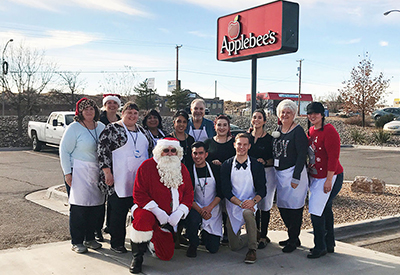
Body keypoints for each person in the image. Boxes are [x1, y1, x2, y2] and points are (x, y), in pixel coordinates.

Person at [129, 137, 194, 274]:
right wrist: (157, 211)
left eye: (173, 151)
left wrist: (180, 212)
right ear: (159, 151)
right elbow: (138, 193)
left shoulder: (182, 168)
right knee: (142, 219)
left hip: (170, 218)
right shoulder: (146, 166)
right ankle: (137, 257)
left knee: (166, 256)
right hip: (149, 211)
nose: (170, 153)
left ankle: (153, 238)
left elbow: (189, 193)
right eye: (166, 150)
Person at [97, 101, 153, 254]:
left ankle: (140, 243)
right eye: (129, 113)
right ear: (123, 113)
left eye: (135, 113)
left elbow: (150, 152)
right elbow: (102, 151)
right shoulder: (112, 129)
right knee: (118, 214)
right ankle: (117, 243)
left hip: (139, 182)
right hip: (118, 180)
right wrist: (107, 173)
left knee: (140, 214)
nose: (132, 116)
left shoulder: (143, 131)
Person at [59, 98, 105, 254]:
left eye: (92, 108)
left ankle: (90, 238)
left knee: (95, 206)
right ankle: (77, 240)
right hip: (77, 170)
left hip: (96, 171)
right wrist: (67, 173)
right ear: (80, 112)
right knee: (79, 208)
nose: (89, 111)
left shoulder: (102, 127)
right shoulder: (74, 128)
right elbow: (64, 151)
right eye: (85, 109)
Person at [220, 133, 266, 264]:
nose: (242, 147)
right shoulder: (226, 165)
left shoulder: (256, 165)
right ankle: (253, 234)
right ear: (234, 145)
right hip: (233, 203)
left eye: (245, 144)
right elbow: (226, 191)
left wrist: (253, 201)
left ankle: (252, 250)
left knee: (247, 213)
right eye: (239, 144)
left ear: (249, 146)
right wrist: (240, 203)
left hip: (251, 203)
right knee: (234, 247)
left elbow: (262, 190)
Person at [306, 102, 344, 259]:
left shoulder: (329, 131)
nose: (312, 116)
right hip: (316, 176)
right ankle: (329, 244)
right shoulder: (311, 131)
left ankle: (319, 246)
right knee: (325, 209)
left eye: (316, 113)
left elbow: (334, 157)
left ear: (322, 114)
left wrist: (329, 180)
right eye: (310, 113)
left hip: (330, 175)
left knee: (315, 210)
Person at [272, 99, 308, 253]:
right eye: (282, 112)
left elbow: (302, 155)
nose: (285, 115)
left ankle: (293, 240)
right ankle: (293, 235)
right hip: (280, 174)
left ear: (294, 114)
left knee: (294, 208)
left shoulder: (298, 131)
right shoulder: (278, 129)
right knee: (282, 206)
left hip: (294, 173)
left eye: (288, 112)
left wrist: (296, 176)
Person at [185, 141, 223, 258]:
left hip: (213, 208)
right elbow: (187, 195)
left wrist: (209, 208)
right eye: (195, 153)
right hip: (195, 206)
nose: (197, 156)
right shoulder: (188, 171)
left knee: (213, 248)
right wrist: (201, 210)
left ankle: (205, 234)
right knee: (192, 219)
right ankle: (193, 243)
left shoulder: (215, 168)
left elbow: (221, 192)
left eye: (200, 153)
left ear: (206, 154)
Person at [204, 114, 236, 243]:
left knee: (228, 208)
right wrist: (212, 161)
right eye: (219, 125)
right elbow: (203, 160)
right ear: (215, 126)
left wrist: (225, 164)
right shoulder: (208, 142)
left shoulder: (234, 143)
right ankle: (210, 231)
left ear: (228, 127)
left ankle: (229, 232)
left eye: (224, 125)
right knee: (215, 207)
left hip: (230, 179)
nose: (222, 127)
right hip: (212, 180)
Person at [247, 109, 275, 249]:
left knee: (265, 204)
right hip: (251, 175)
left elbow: (274, 159)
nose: (256, 120)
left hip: (267, 173)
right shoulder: (247, 137)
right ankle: (255, 233)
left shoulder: (269, 139)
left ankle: (263, 235)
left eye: (259, 117)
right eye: (254, 117)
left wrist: (264, 161)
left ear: (264, 121)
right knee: (253, 204)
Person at [96, 93, 121, 242]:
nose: (112, 105)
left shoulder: (121, 121)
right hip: (103, 163)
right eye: (109, 103)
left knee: (114, 199)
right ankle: (96, 229)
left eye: (115, 103)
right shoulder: (99, 121)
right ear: (105, 105)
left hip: (118, 165)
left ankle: (110, 226)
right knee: (101, 199)